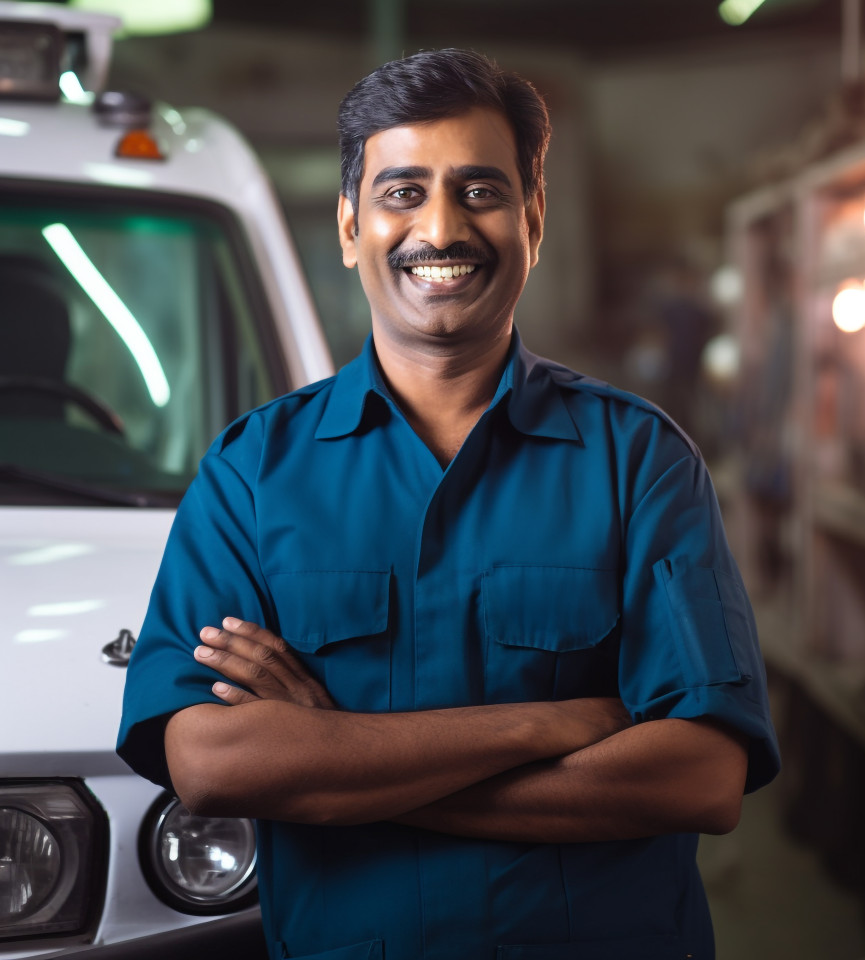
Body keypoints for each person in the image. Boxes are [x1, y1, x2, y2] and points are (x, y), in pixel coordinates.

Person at [118, 48, 779, 960]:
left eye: (479, 190)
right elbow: (212, 762)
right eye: (401, 193)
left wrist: (333, 765)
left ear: (532, 221)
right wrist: (548, 724)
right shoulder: (252, 474)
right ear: (351, 227)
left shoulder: (640, 460)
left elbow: (700, 776)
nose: (441, 227)